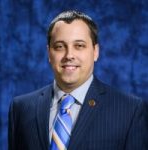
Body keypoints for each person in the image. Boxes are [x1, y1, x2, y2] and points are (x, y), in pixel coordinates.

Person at [8, 10, 148, 150]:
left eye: (79, 46)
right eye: (59, 47)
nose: (69, 55)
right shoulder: (21, 108)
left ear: (95, 51)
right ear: (49, 53)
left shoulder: (130, 110)